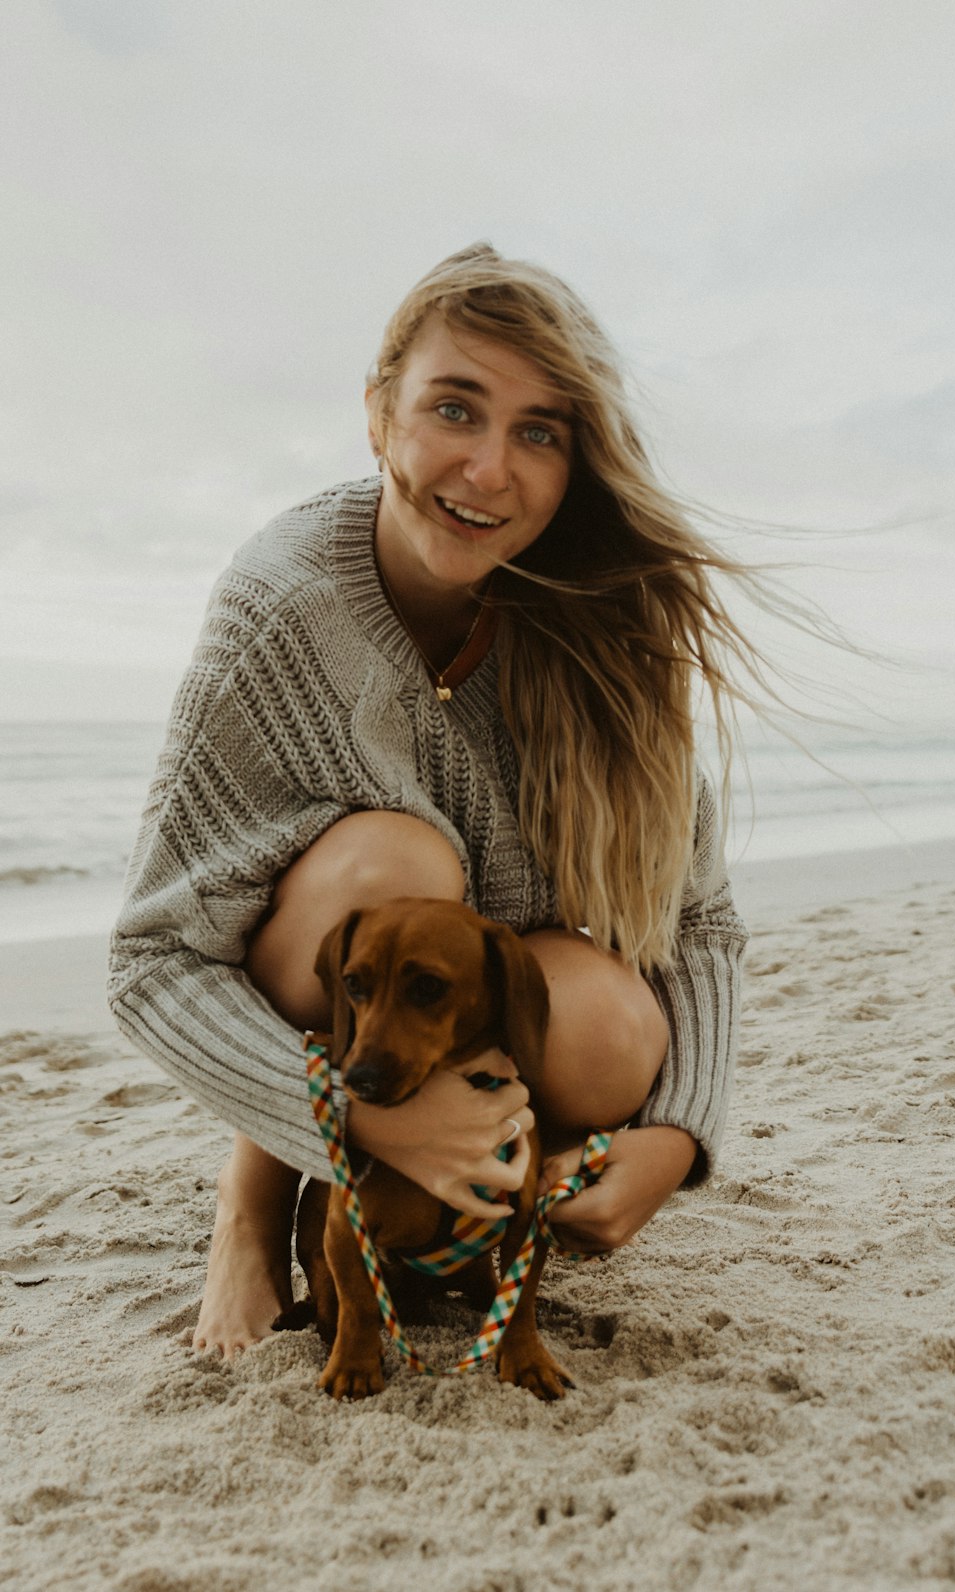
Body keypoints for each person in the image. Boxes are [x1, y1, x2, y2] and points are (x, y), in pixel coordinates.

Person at [108, 243, 749, 1359]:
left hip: (473, 1007)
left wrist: (678, 1136)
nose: (490, 469)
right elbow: (154, 955)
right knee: (397, 871)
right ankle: (253, 1204)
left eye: (538, 431)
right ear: (377, 415)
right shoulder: (284, 610)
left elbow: (696, 921)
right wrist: (347, 1107)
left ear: (573, 461)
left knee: (604, 1034)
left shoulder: (608, 624)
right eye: (455, 408)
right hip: (337, 990)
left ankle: (471, 1194)